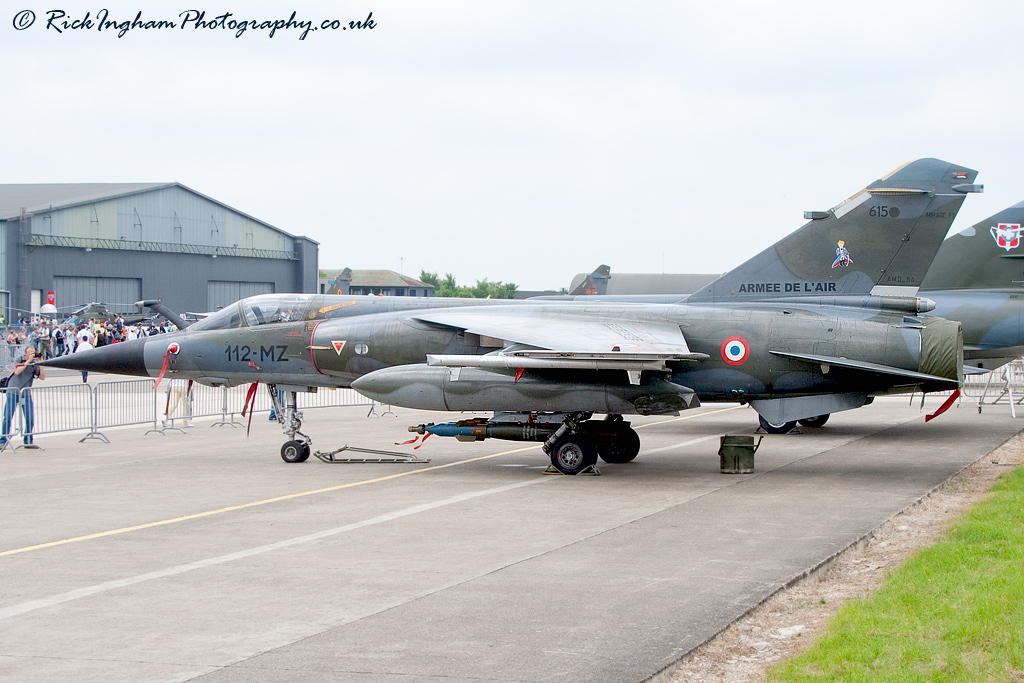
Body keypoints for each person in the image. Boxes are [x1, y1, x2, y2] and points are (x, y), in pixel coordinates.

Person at [1, 345, 45, 448]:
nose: (31, 355)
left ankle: (28, 440)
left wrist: (41, 363)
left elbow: (42, 377)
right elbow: (17, 371)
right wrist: (27, 362)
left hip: (25, 393)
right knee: (7, 417)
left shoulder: (35, 364)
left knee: (30, 418)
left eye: (33, 353)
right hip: (13, 391)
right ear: (25, 354)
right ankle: (3, 440)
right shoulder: (19, 359)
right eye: (29, 353)